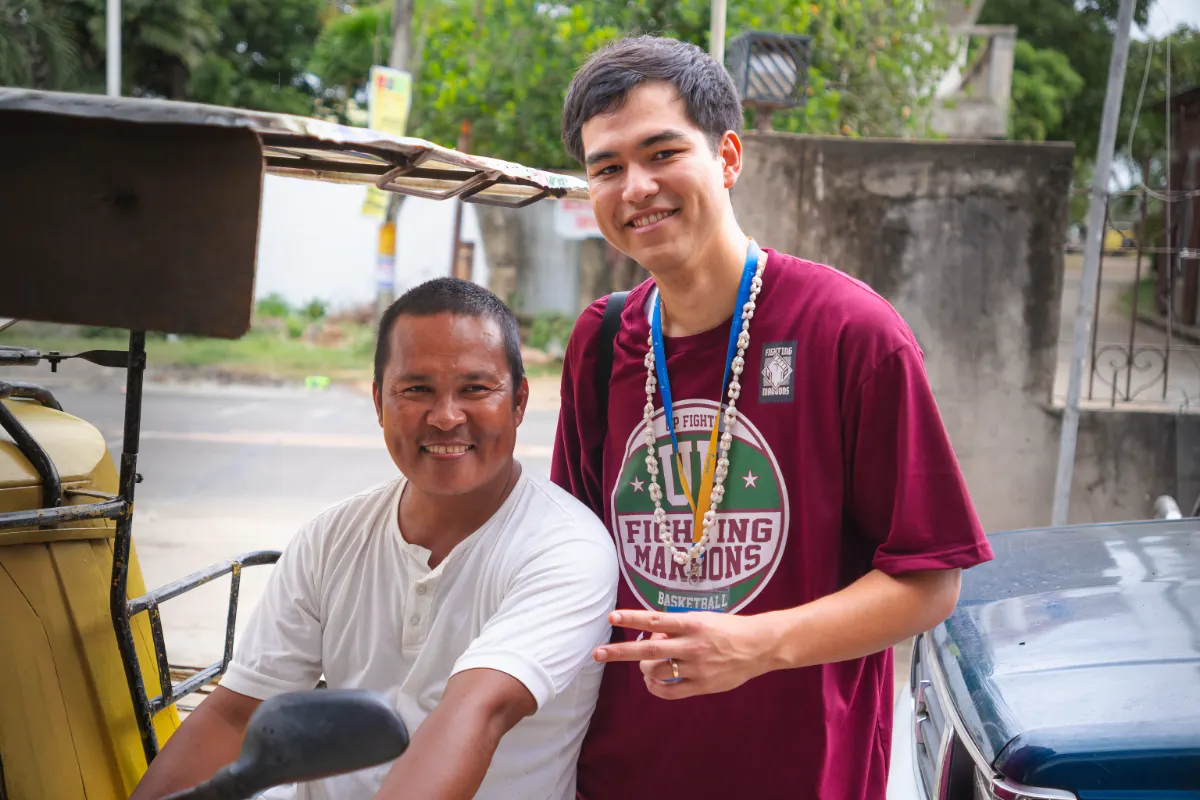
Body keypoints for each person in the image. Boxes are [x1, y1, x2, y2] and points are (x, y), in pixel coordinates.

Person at [551, 35, 995, 800]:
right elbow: (569, 559)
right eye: (607, 167)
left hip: (803, 775)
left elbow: (930, 583)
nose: (636, 187)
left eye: (662, 153)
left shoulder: (851, 332)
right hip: (617, 775)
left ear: (727, 157)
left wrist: (756, 644)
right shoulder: (601, 340)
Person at [132, 278, 619, 800]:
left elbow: (478, 713)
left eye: (476, 389)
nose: (447, 417)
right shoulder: (332, 537)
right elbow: (235, 714)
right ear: (379, 402)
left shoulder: (567, 549)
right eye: (417, 390)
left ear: (519, 402)